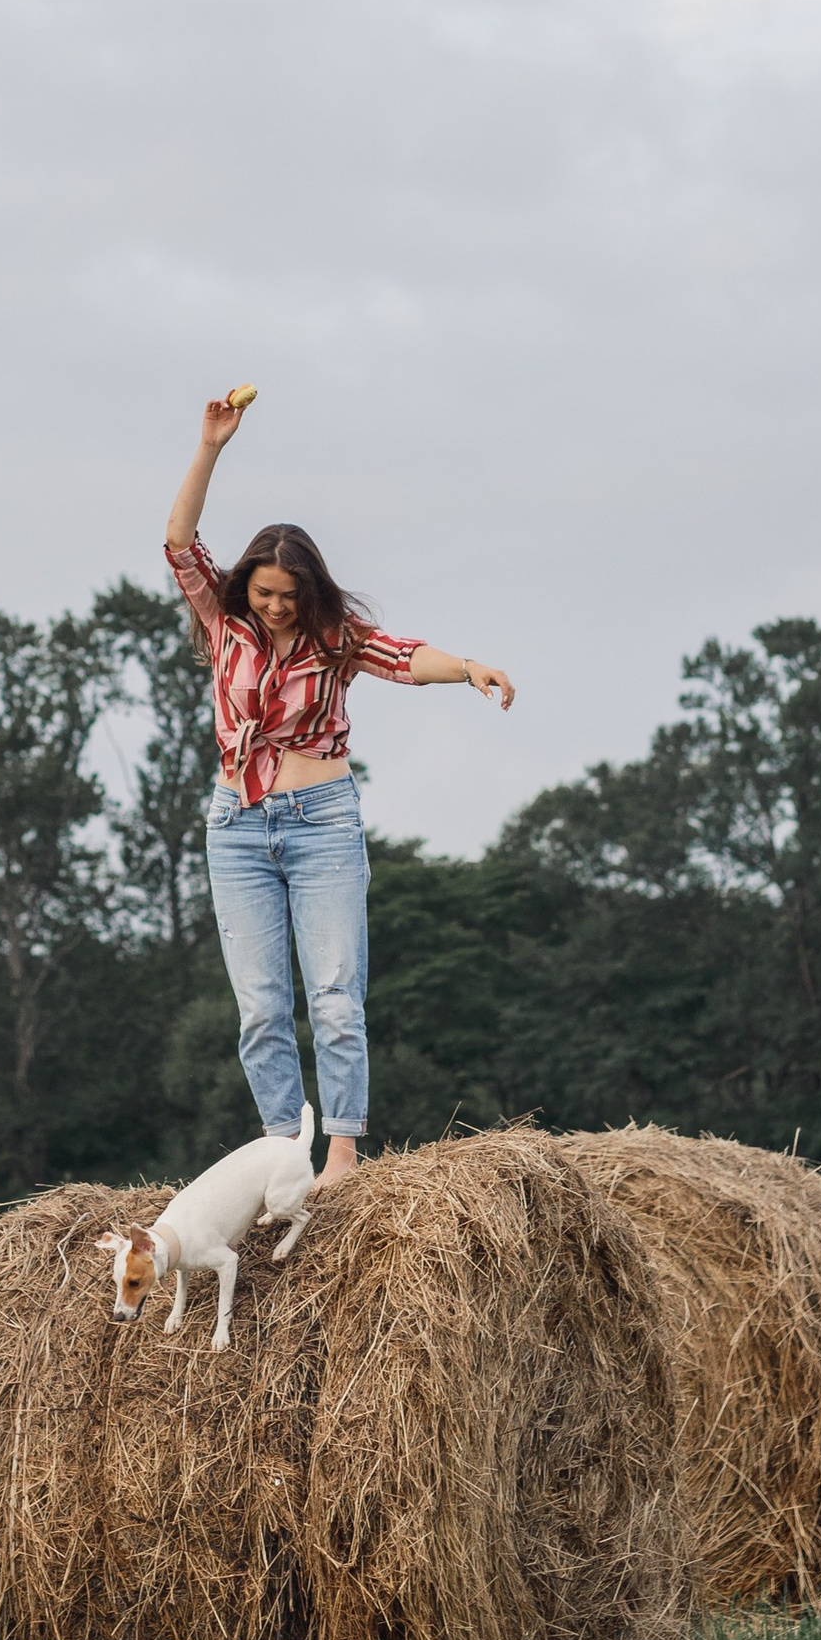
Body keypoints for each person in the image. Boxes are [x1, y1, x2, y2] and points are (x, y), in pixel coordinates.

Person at [165, 390, 516, 1189]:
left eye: (290, 597)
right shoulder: (223, 626)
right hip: (237, 824)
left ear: (310, 593)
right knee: (260, 1008)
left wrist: (467, 668)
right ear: (246, 585)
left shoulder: (336, 637)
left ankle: (344, 1156)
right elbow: (179, 542)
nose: (277, 607)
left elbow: (404, 656)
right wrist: (211, 446)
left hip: (322, 819)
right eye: (264, 593)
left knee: (333, 995)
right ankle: (284, 1154)